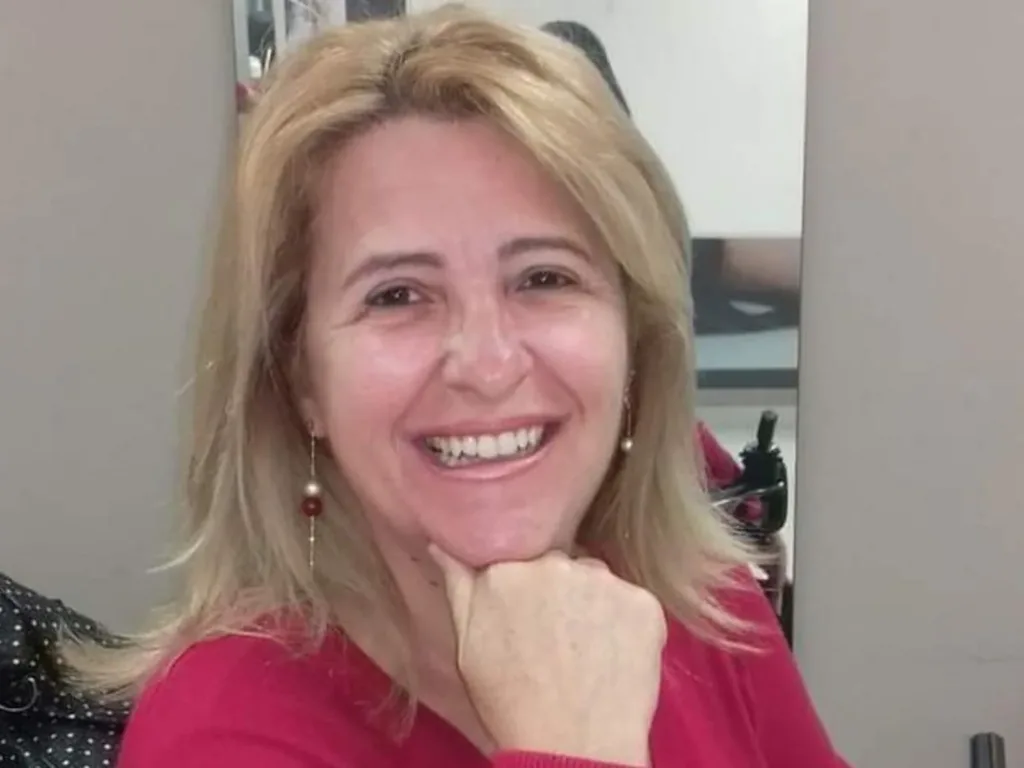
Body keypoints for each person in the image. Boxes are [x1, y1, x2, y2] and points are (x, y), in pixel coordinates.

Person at [66, 6, 848, 766]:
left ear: (634, 340)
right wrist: (573, 747)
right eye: (397, 295)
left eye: (544, 278)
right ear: (300, 378)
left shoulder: (703, 599)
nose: (487, 364)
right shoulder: (217, 735)